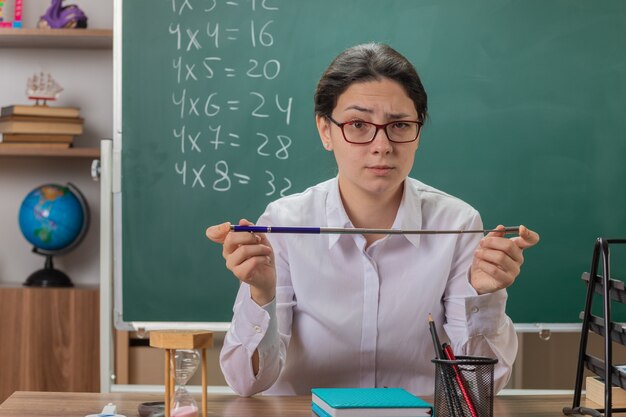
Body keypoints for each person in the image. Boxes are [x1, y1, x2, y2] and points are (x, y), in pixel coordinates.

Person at [206, 43, 540, 397]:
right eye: (359, 124)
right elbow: (247, 383)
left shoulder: (458, 223)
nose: (381, 145)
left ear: (419, 131)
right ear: (325, 130)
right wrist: (262, 295)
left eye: (399, 125)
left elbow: (476, 387)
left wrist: (484, 298)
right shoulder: (284, 222)